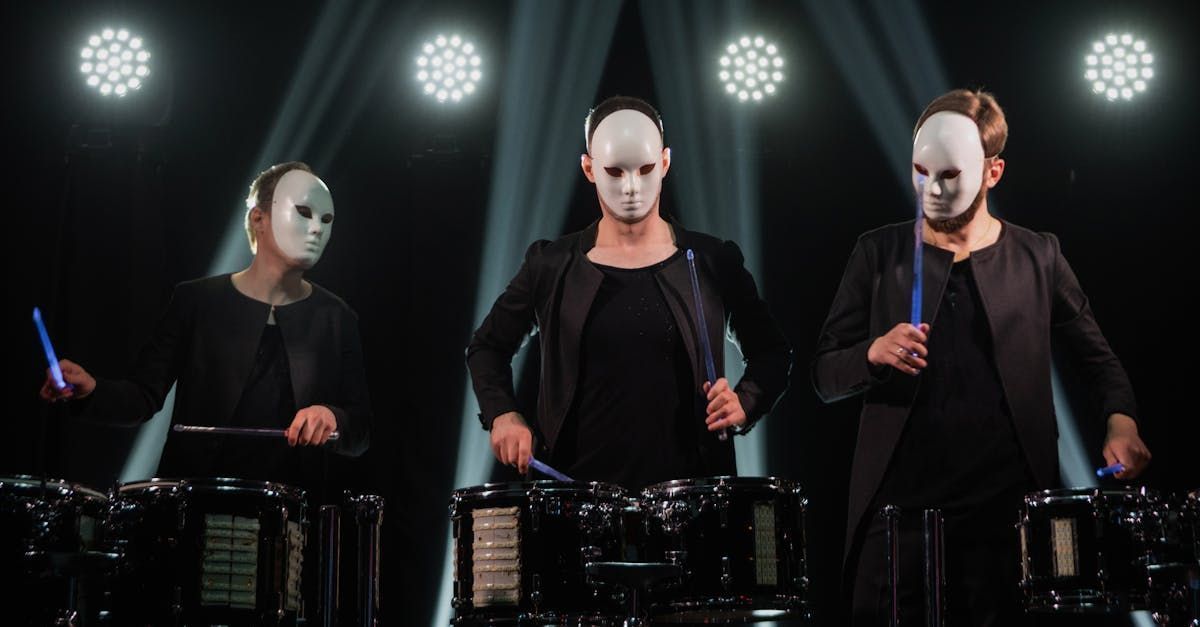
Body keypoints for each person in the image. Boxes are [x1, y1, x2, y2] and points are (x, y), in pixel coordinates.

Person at [812, 89, 1151, 626]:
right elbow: (826, 374)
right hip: (902, 517)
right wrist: (873, 352)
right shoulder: (878, 253)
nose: (932, 189)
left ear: (993, 172)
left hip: (1009, 518)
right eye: (920, 172)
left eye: (949, 175)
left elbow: (1097, 359)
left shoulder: (1038, 256)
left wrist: (1121, 420)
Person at [467, 96, 791, 490]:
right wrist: (503, 414)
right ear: (589, 168)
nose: (632, 187)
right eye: (615, 172)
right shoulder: (552, 265)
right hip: (577, 498)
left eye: (646, 168)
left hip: (691, 500)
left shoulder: (711, 261)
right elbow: (487, 347)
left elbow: (772, 350)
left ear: (666, 162)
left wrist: (746, 401)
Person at [40, 161, 370, 490]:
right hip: (194, 502)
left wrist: (333, 417)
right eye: (303, 212)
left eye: (326, 220)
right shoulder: (196, 301)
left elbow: (360, 433)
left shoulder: (337, 318)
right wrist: (91, 390)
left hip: (293, 516)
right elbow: (142, 395)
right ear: (259, 218)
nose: (316, 229)